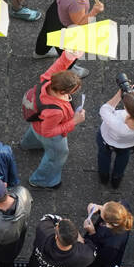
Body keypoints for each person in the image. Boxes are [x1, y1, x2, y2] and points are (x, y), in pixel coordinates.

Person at [21, 51, 86, 188]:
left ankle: (28, 144)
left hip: (36, 122)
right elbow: (48, 132)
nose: (76, 91)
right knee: (58, 155)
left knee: (36, 133)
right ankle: (43, 180)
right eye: (74, 90)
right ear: (63, 92)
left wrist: (70, 55)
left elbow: (59, 64)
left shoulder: (49, 79)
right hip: (48, 133)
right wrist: (74, 121)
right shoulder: (55, 111)